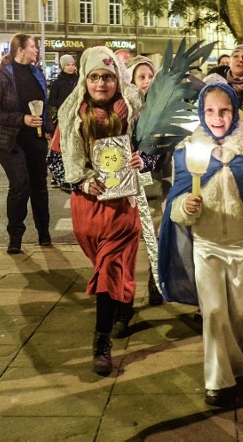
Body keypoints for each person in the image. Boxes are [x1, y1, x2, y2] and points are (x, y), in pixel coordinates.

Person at [157, 78, 243, 407]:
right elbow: (174, 207)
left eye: (225, 111)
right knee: (214, 311)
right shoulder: (189, 153)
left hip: (242, 245)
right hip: (207, 245)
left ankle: (240, 346)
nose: (217, 117)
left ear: (235, 113)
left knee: (240, 312)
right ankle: (217, 381)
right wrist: (185, 207)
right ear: (202, 114)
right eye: (210, 111)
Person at [47, 46, 149, 376]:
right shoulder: (71, 114)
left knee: (109, 269)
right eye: (94, 77)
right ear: (84, 79)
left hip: (122, 207)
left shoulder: (134, 111)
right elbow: (55, 164)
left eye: (107, 77)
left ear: (117, 78)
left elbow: (154, 150)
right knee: (109, 268)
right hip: (87, 209)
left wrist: (142, 159)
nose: (101, 84)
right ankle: (124, 302)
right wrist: (81, 184)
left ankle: (101, 343)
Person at [0, 33, 51, 254]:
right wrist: (22, 119)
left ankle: (44, 234)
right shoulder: (1, 76)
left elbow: (45, 105)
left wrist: (47, 127)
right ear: (20, 50)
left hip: (36, 139)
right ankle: (15, 237)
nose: (36, 50)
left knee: (40, 187)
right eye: (33, 46)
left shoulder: (37, 73)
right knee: (20, 185)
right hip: (10, 141)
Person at [127, 55, 165, 306]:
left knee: (155, 234)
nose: (147, 81)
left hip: (153, 181)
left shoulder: (161, 108)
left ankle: (156, 283)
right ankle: (124, 294)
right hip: (124, 182)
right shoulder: (124, 108)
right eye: (141, 77)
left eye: (151, 76)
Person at [46, 54, 79, 135]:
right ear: (63, 67)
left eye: (73, 65)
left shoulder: (79, 81)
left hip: (78, 116)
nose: (71, 67)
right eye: (68, 65)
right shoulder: (57, 83)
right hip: (63, 117)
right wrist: (64, 102)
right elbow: (51, 101)